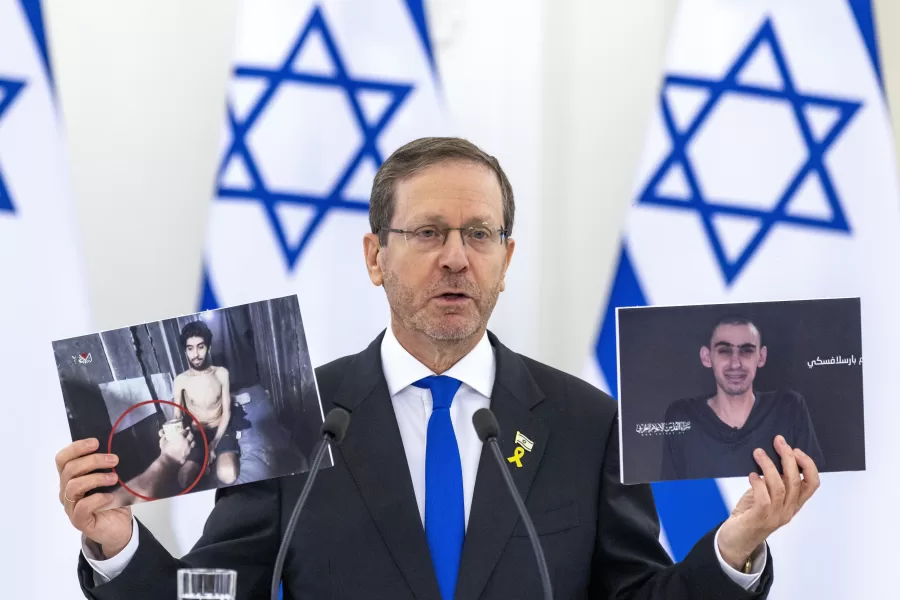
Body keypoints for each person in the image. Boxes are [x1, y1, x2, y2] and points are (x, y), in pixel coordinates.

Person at [56, 137, 820, 599]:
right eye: (427, 232)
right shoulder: (299, 417)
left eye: (480, 234)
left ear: (506, 260)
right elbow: (215, 595)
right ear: (375, 257)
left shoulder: (587, 423)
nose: (457, 257)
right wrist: (118, 546)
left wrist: (735, 547)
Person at [660, 315, 826, 482]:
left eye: (747, 351)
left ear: (761, 356)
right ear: (706, 357)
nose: (735, 364)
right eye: (724, 351)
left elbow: (816, 483)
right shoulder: (682, 415)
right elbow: (669, 492)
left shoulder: (789, 408)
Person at [172, 320, 240, 487]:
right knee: (183, 479)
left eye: (200, 347)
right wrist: (172, 434)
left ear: (208, 347)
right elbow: (177, 416)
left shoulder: (221, 373)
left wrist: (214, 443)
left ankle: (215, 457)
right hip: (197, 432)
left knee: (228, 475)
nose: (195, 354)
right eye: (190, 348)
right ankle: (203, 461)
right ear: (185, 351)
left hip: (220, 428)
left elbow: (227, 413)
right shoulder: (180, 380)